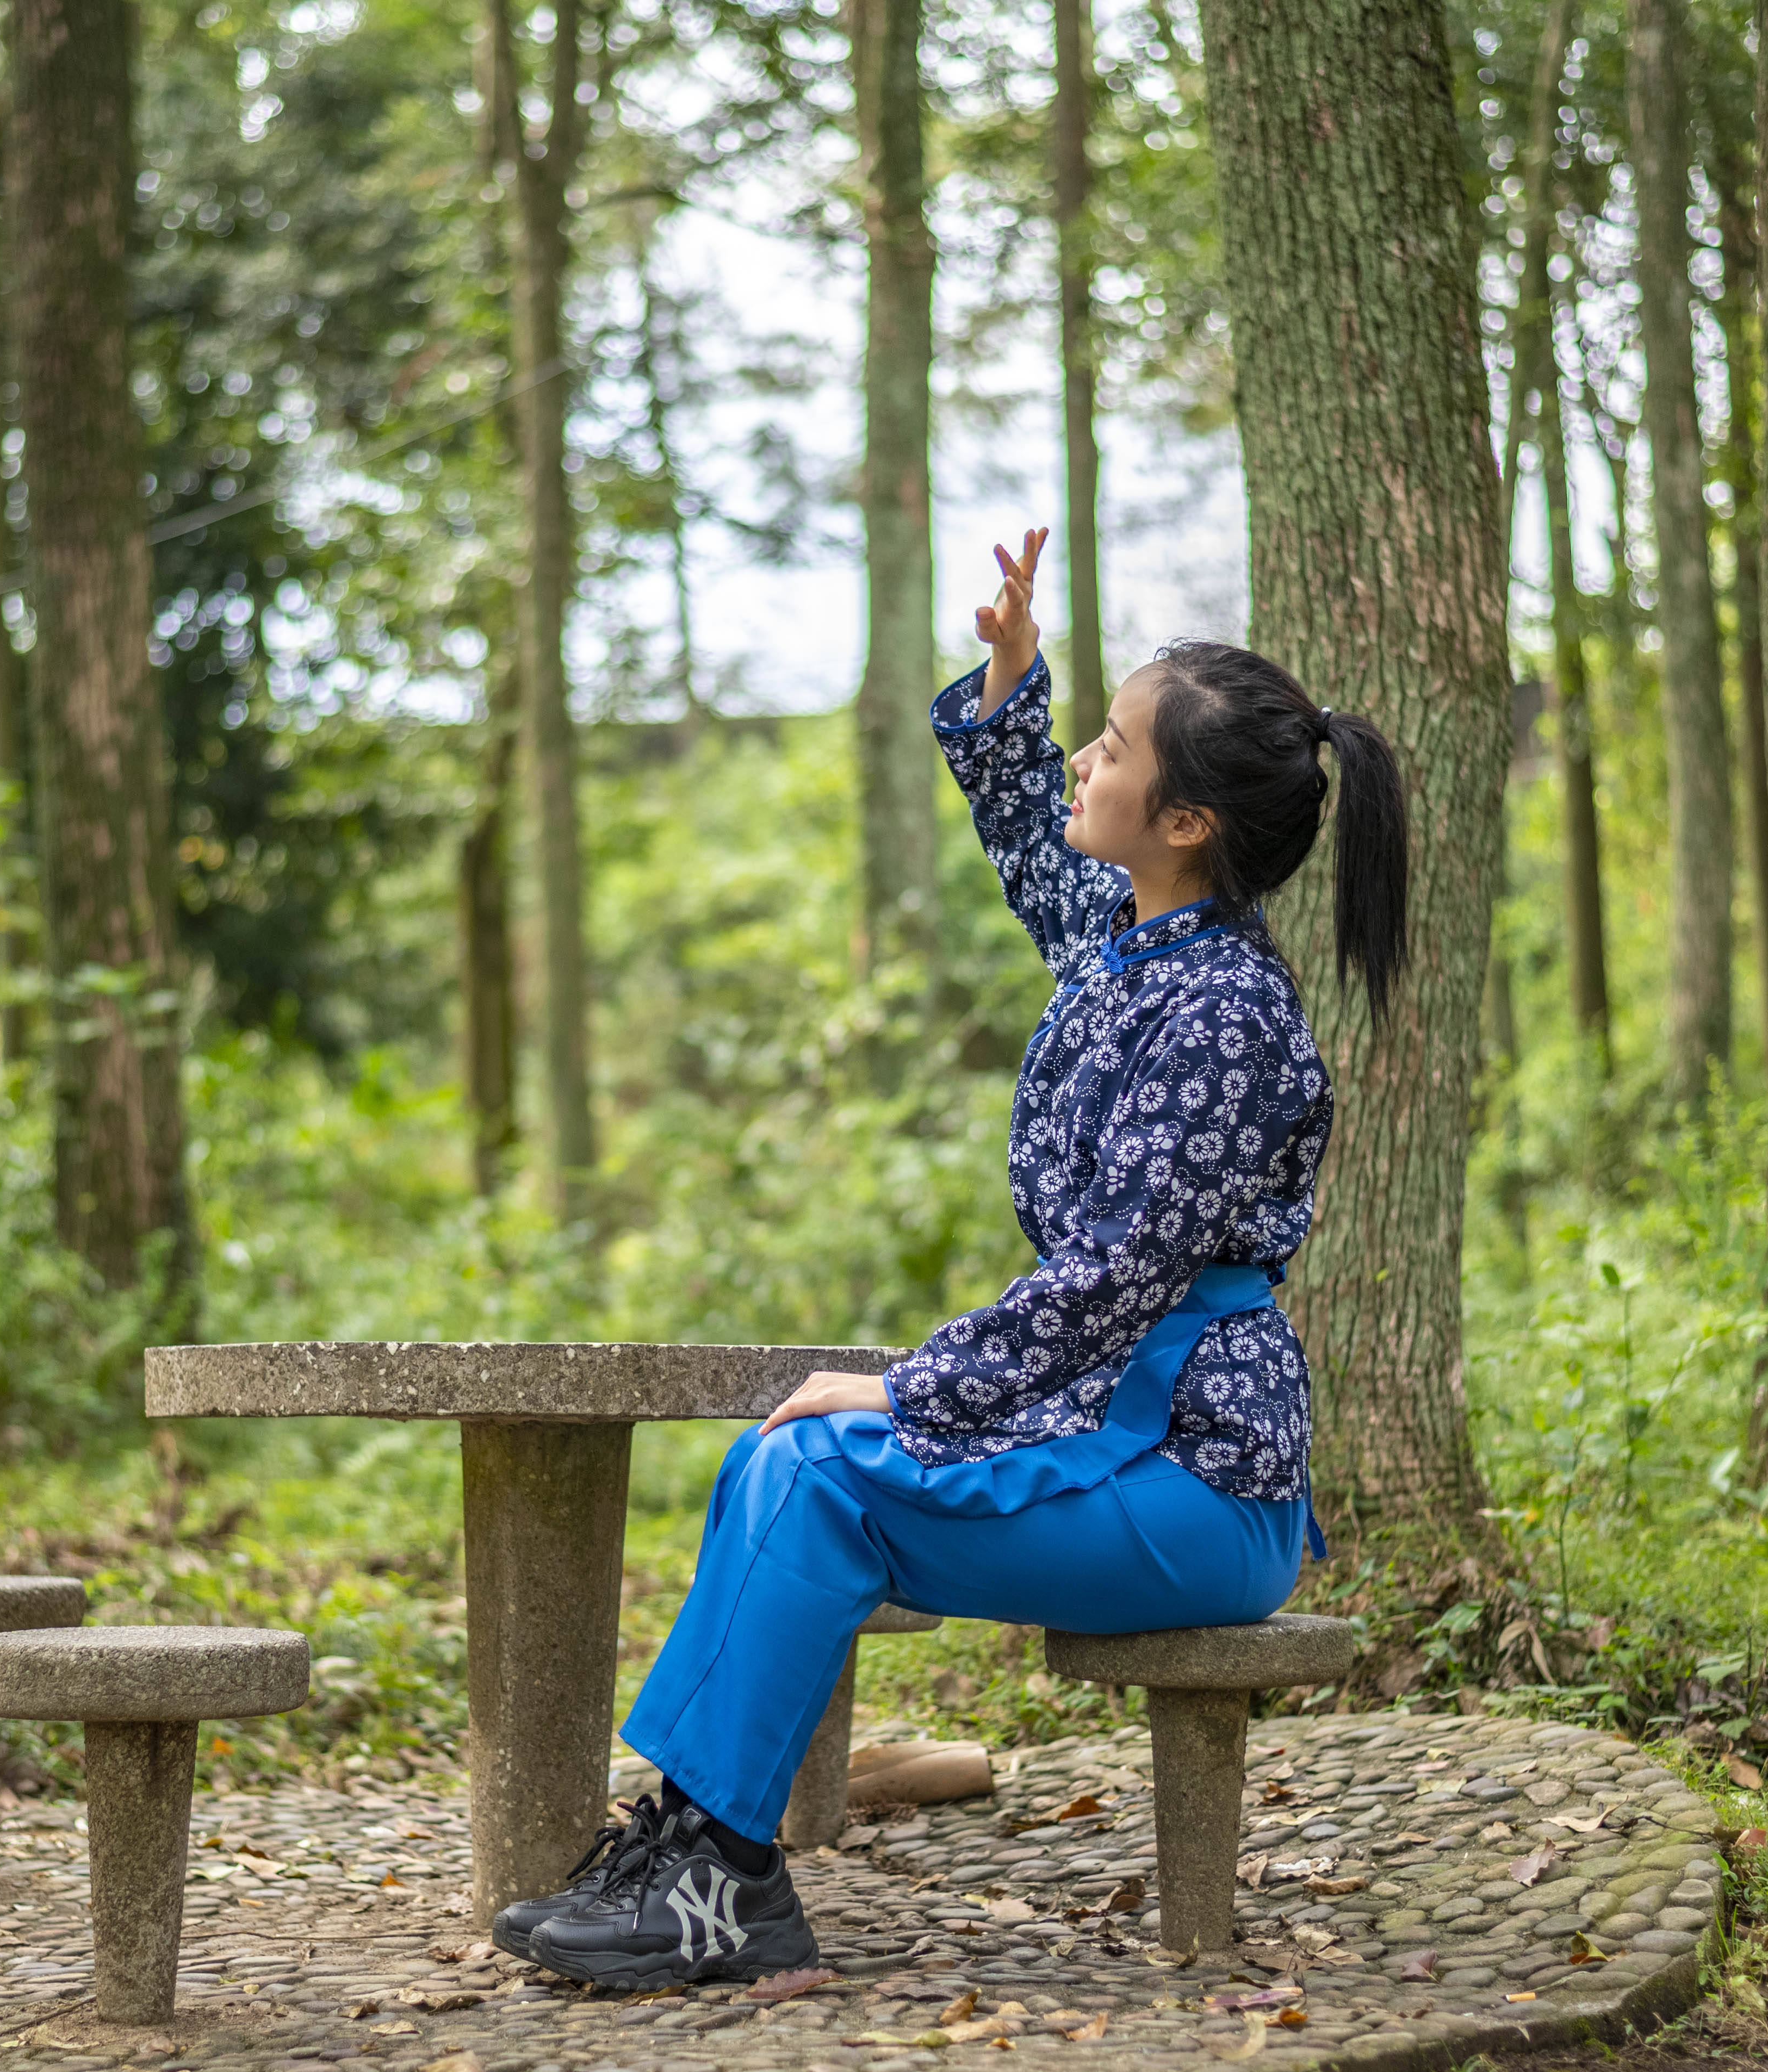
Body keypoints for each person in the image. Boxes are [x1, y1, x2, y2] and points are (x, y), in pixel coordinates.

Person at [499, 527, 1411, 1990]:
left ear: (1186, 822)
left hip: (1199, 1480)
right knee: (772, 1460)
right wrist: (1011, 675)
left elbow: (1115, 1281)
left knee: (820, 1463)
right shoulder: (1127, 941)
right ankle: (688, 1843)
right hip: (1109, 1436)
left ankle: (724, 1880)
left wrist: (906, 1387)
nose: (1086, 768)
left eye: (1111, 748)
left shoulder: (1225, 1021)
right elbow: (1030, 835)